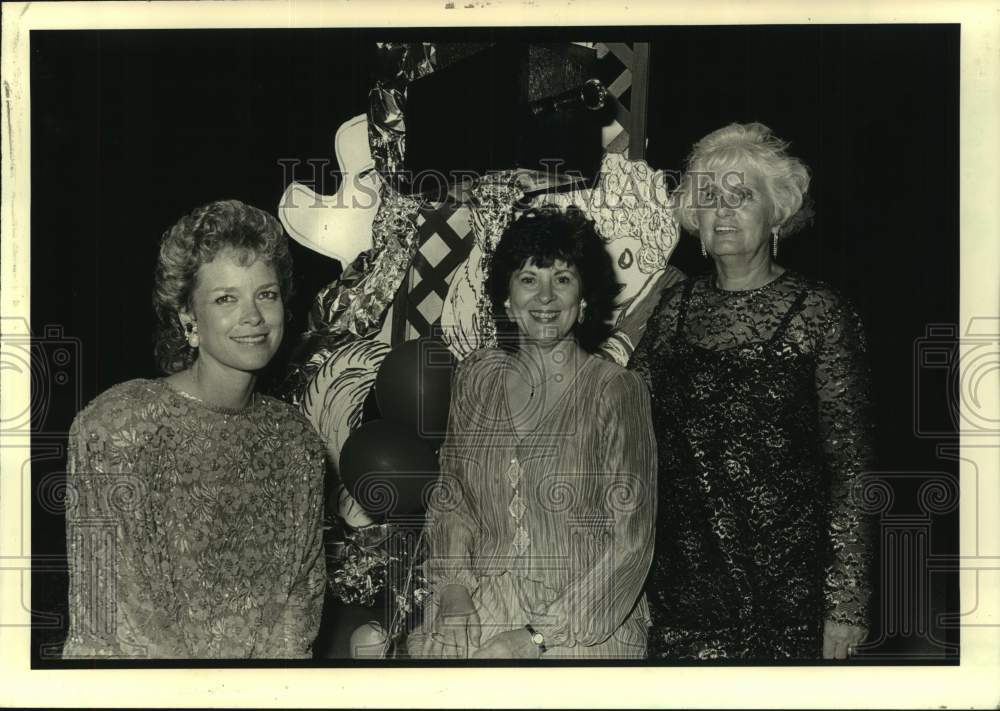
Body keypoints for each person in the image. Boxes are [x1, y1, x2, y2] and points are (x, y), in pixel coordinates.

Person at [631, 122, 873, 660]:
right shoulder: (674, 311)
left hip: (791, 592)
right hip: (683, 590)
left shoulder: (819, 312)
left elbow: (851, 465)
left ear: (777, 212)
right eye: (710, 198)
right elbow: (627, 424)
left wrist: (846, 602)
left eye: (741, 197)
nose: (723, 211)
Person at [63, 199, 327, 659]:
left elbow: (297, 610)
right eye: (226, 298)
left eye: (266, 294)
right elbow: (117, 616)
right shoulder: (119, 428)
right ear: (188, 317)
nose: (253, 317)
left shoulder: (296, 441)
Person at [414, 207, 657, 660]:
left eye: (562, 279)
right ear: (506, 297)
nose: (545, 296)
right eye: (528, 279)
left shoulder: (616, 390)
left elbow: (632, 543)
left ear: (583, 299)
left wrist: (536, 638)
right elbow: (453, 497)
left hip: (584, 624)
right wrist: (452, 592)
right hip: (478, 605)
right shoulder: (477, 378)